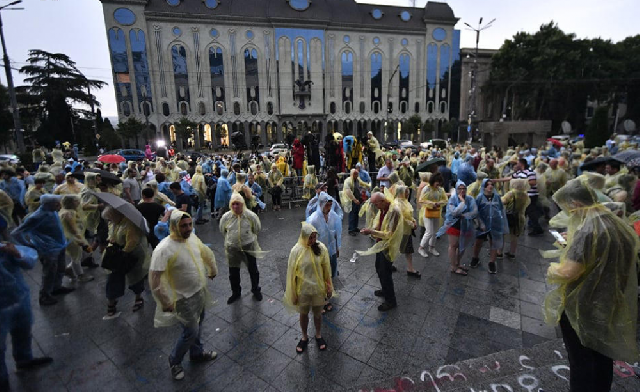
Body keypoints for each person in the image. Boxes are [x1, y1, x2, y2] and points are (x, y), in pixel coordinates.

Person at [543, 178, 639, 392]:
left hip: (583, 304)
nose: (568, 214)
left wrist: (552, 269)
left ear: (575, 204)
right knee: (601, 353)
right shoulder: (614, 222)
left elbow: (569, 272)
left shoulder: (587, 231)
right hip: (609, 300)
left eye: (567, 208)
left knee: (582, 360)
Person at [149, 210, 218, 381]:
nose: (188, 229)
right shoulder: (164, 248)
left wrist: (212, 268)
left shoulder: (192, 239)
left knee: (199, 323)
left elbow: (205, 253)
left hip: (199, 291)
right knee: (190, 331)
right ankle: (174, 360)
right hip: (181, 298)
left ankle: (196, 353)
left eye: (189, 225)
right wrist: (165, 301)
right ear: (174, 226)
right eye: (183, 226)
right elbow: (155, 279)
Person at [0, 243, 53, 391]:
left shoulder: (5, 248)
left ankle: (24, 359)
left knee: (23, 331)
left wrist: (17, 253)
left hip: (18, 298)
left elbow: (29, 262)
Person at [12, 194, 74, 305]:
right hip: (48, 249)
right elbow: (16, 233)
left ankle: (56, 287)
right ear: (48, 204)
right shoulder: (37, 216)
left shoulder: (53, 211)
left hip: (59, 245)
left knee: (60, 268)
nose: (59, 205)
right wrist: (28, 244)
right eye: (56, 203)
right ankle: (44, 295)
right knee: (49, 272)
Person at [283, 222, 333, 354]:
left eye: (314, 237)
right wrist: (292, 293)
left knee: (318, 314)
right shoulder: (296, 251)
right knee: (303, 314)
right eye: (310, 237)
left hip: (318, 289)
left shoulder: (321, 248)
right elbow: (291, 274)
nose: (312, 240)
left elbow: (326, 269)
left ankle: (318, 334)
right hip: (303, 291)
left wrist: (329, 286)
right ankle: (304, 336)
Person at [358, 192, 404, 311]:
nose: (374, 206)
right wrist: (371, 230)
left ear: (382, 201)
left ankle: (390, 300)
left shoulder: (394, 211)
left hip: (387, 246)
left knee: (385, 272)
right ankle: (385, 290)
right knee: (379, 268)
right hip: (381, 243)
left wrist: (372, 232)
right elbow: (379, 224)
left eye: (375, 204)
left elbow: (389, 234)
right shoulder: (383, 208)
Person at [102, 206, 150, 318]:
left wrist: (122, 253)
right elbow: (111, 234)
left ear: (115, 216)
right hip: (117, 252)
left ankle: (138, 297)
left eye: (110, 218)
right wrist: (111, 239)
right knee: (112, 278)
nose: (109, 221)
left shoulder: (131, 225)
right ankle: (111, 302)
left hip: (130, 254)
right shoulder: (114, 223)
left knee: (135, 277)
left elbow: (132, 242)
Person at [219, 193, 264, 304]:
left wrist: (247, 237)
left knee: (253, 269)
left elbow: (257, 228)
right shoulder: (226, 217)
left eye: (237, 204)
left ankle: (255, 289)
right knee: (233, 271)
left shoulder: (250, 216)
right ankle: (236, 292)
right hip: (232, 248)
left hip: (249, 246)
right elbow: (222, 230)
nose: (235, 207)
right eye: (233, 204)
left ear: (242, 204)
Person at [306, 192, 341, 313]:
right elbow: (308, 238)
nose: (329, 208)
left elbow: (335, 233)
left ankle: (325, 298)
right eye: (327, 205)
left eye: (330, 205)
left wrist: (337, 248)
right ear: (321, 205)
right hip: (318, 251)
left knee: (328, 275)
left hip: (329, 250)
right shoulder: (314, 219)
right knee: (318, 276)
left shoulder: (332, 216)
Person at [436, 181, 477, 276]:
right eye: (460, 188)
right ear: (456, 189)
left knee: (462, 246)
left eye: (464, 188)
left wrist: (464, 215)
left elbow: (474, 212)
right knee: (453, 245)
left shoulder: (470, 199)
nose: (462, 190)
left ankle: (458, 263)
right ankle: (453, 267)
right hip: (454, 225)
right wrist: (462, 203)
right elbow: (454, 213)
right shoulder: (453, 199)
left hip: (466, 225)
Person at [470, 179, 506, 274]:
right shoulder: (480, 197)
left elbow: (501, 209)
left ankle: (492, 262)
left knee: (493, 242)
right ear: (484, 186)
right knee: (478, 242)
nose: (490, 186)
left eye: (492, 185)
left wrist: (500, 222)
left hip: (495, 224)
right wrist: (480, 223)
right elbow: (475, 211)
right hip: (482, 224)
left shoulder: (497, 197)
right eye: (488, 185)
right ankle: (475, 257)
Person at [59, 195, 94, 283]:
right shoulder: (69, 213)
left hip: (72, 237)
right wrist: (81, 240)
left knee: (81, 255)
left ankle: (68, 269)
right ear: (70, 202)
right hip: (73, 238)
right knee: (76, 257)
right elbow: (73, 229)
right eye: (75, 201)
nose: (78, 202)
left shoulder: (67, 211)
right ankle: (80, 276)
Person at [418, 173, 448, 258]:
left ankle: (432, 247)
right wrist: (431, 203)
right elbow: (421, 200)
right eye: (437, 183)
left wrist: (439, 203)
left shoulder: (440, 190)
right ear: (433, 181)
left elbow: (445, 199)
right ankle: (421, 248)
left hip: (436, 211)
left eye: (439, 183)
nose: (438, 185)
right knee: (429, 232)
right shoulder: (426, 189)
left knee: (435, 231)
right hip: (427, 211)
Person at [501, 179, 531, 259]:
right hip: (520, 217)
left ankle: (499, 252)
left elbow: (502, 201)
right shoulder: (525, 194)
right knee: (514, 236)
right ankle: (512, 252)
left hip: (509, 216)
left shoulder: (512, 193)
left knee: (502, 234)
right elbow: (528, 203)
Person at [394, 185, 420, 278]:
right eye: (406, 192)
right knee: (395, 248)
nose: (408, 194)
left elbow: (408, 215)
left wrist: (414, 221)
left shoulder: (405, 202)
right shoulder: (397, 203)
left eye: (408, 192)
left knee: (408, 250)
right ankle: (389, 264)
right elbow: (401, 218)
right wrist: (412, 224)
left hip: (406, 230)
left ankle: (410, 268)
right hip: (401, 231)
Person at [340, 169, 368, 235]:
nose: (357, 175)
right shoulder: (348, 181)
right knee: (352, 214)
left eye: (357, 174)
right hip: (351, 200)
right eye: (355, 174)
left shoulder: (357, 180)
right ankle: (351, 229)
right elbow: (348, 192)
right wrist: (354, 200)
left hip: (357, 199)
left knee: (356, 214)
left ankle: (355, 227)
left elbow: (360, 186)